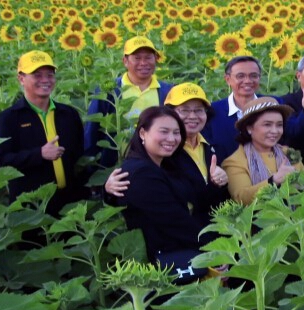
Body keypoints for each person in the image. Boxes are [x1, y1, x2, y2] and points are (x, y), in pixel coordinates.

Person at [106, 83, 229, 227]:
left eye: (199, 110)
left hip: (217, 230)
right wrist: (109, 191)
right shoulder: (164, 151)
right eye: (184, 110)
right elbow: (142, 188)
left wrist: (222, 182)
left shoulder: (215, 147)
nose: (193, 116)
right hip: (187, 236)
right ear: (169, 113)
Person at [0, 50, 89, 217]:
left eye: (50, 75)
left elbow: (79, 155)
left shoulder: (68, 114)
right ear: (21, 79)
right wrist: (39, 154)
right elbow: (0, 161)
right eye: (37, 75)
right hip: (30, 206)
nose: (45, 80)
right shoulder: (8, 118)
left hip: (69, 202)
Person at [117, 106, 213, 268]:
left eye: (176, 133)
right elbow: (175, 222)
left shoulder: (166, 163)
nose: (171, 139)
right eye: (164, 131)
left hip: (177, 250)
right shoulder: (142, 173)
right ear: (142, 133)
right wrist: (213, 250)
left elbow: (197, 196)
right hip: (161, 261)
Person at [85, 36, 174, 168]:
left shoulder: (168, 91)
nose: (143, 63)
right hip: (117, 165)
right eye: (137, 58)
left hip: (159, 166)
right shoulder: (110, 92)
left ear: (156, 59)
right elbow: (92, 132)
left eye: (148, 57)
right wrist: (91, 172)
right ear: (125, 61)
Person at [222, 97, 304, 205]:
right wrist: (273, 181)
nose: (275, 131)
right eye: (267, 125)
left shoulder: (288, 153)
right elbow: (241, 197)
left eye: (279, 125)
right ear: (249, 128)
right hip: (259, 221)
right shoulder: (235, 161)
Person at [201, 56, 272, 164]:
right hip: (227, 176)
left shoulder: (273, 104)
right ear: (228, 79)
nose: (248, 81)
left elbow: (293, 135)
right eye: (240, 76)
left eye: (253, 76)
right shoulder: (213, 112)